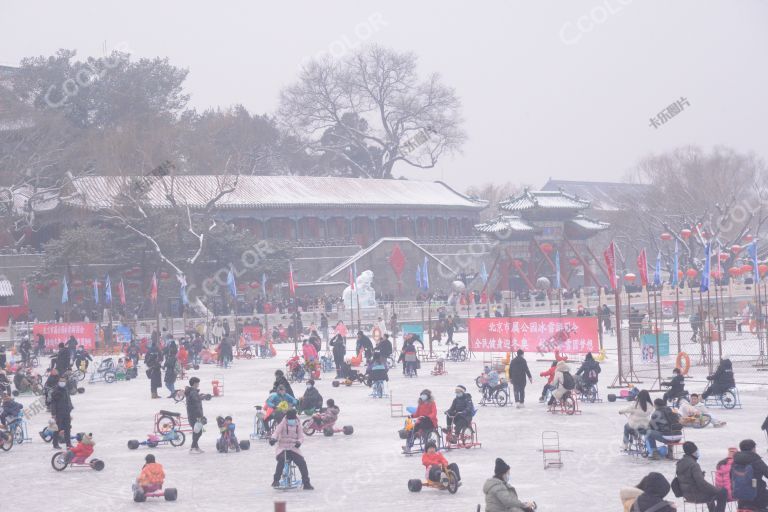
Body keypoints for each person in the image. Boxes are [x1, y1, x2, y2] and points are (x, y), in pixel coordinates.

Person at [676, 441, 728, 512]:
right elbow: (701, 483)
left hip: (687, 494)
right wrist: (716, 490)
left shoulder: (680, 463)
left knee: (709, 491)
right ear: (693, 453)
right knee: (723, 492)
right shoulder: (694, 465)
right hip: (696, 495)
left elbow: (688, 479)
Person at [270, 410, 313, 490]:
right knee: (281, 460)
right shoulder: (282, 424)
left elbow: (301, 437)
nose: (291, 420)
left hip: (293, 448)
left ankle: (306, 483)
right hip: (282, 447)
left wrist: (299, 442)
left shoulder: (298, 424)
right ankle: (276, 480)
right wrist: (273, 439)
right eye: (290, 418)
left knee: (302, 462)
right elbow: (276, 432)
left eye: (292, 418)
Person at [731, 438, 768, 510]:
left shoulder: (735, 461)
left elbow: (731, 477)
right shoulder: (756, 460)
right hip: (758, 496)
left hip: (741, 497)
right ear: (753, 449)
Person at [50, 375, 74, 449]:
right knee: (57, 429)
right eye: (61, 381)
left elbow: (68, 401)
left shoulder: (66, 389)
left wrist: (70, 410)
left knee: (67, 428)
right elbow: (53, 403)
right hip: (58, 413)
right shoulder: (56, 391)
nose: (62, 382)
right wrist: (53, 414)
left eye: (63, 381)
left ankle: (68, 444)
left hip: (66, 412)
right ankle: (55, 444)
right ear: (58, 382)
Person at [185, 377, 206, 454]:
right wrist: (202, 397)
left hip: (193, 414)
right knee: (198, 432)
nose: (198, 384)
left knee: (196, 431)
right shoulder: (193, 392)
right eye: (197, 383)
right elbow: (195, 402)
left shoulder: (192, 391)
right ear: (194, 383)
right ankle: (193, 447)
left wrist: (201, 396)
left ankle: (196, 447)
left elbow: (195, 399)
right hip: (195, 415)